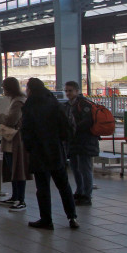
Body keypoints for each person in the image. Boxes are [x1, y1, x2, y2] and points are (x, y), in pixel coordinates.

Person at [21, 78, 79, 230]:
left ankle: (46, 220)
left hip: (39, 152)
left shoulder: (30, 106)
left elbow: (26, 130)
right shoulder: (54, 104)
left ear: (31, 90)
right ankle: (72, 217)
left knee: (43, 187)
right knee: (64, 185)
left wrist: (29, 148)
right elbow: (66, 128)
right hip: (55, 150)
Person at [0, 77, 31, 212]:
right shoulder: (15, 101)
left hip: (16, 140)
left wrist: (1, 117)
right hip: (11, 139)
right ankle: (15, 196)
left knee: (17, 169)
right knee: (12, 169)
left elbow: (11, 120)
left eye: (4, 87)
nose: (3, 90)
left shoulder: (18, 102)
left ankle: (20, 199)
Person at [64, 81, 100, 206]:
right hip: (74, 142)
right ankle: (79, 191)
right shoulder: (68, 105)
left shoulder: (84, 104)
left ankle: (86, 195)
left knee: (85, 168)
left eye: (70, 91)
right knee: (75, 168)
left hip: (85, 141)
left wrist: (73, 129)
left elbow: (87, 122)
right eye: (66, 91)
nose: (68, 93)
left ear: (77, 91)